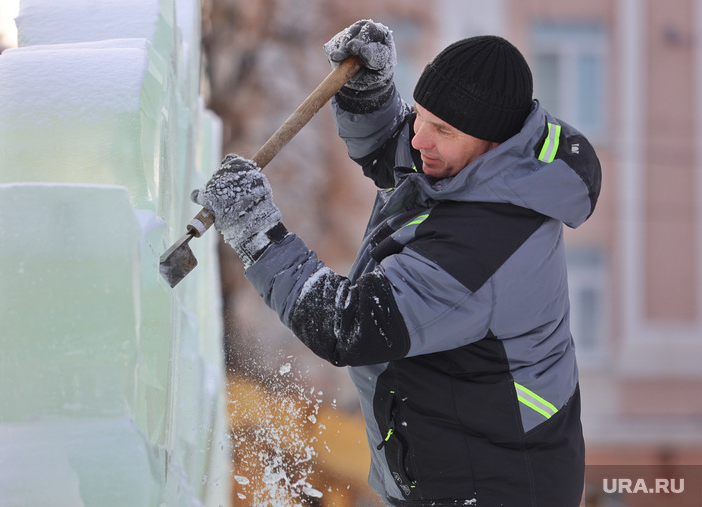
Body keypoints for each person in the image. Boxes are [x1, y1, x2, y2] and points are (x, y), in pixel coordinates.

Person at [193, 19, 602, 507]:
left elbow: (350, 325)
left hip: (493, 485)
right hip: (447, 468)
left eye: (442, 129)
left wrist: (259, 235)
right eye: (422, 115)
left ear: (493, 143)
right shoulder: (483, 168)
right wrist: (370, 97)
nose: (420, 137)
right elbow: (407, 158)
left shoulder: (488, 245)